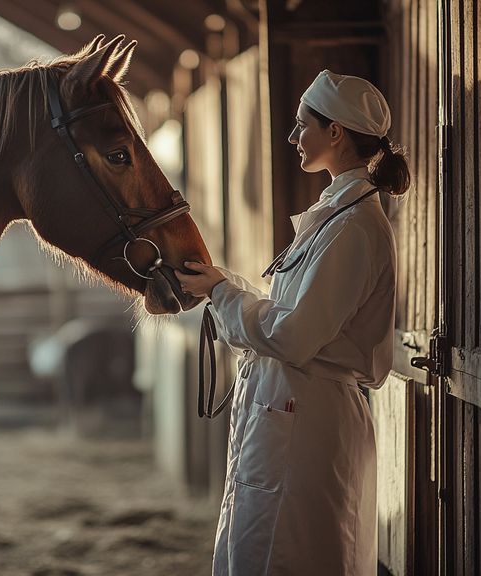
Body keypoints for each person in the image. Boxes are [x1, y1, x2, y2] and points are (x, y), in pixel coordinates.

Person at [175, 69, 409, 575]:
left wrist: (221, 293)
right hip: (289, 406)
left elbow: (296, 334)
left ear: (335, 133)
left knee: (297, 556)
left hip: (311, 415)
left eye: (302, 126)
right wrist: (223, 283)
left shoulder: (354, 227)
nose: (294, 138)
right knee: (262, 548)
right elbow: (290, 311)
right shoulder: (334, 214)